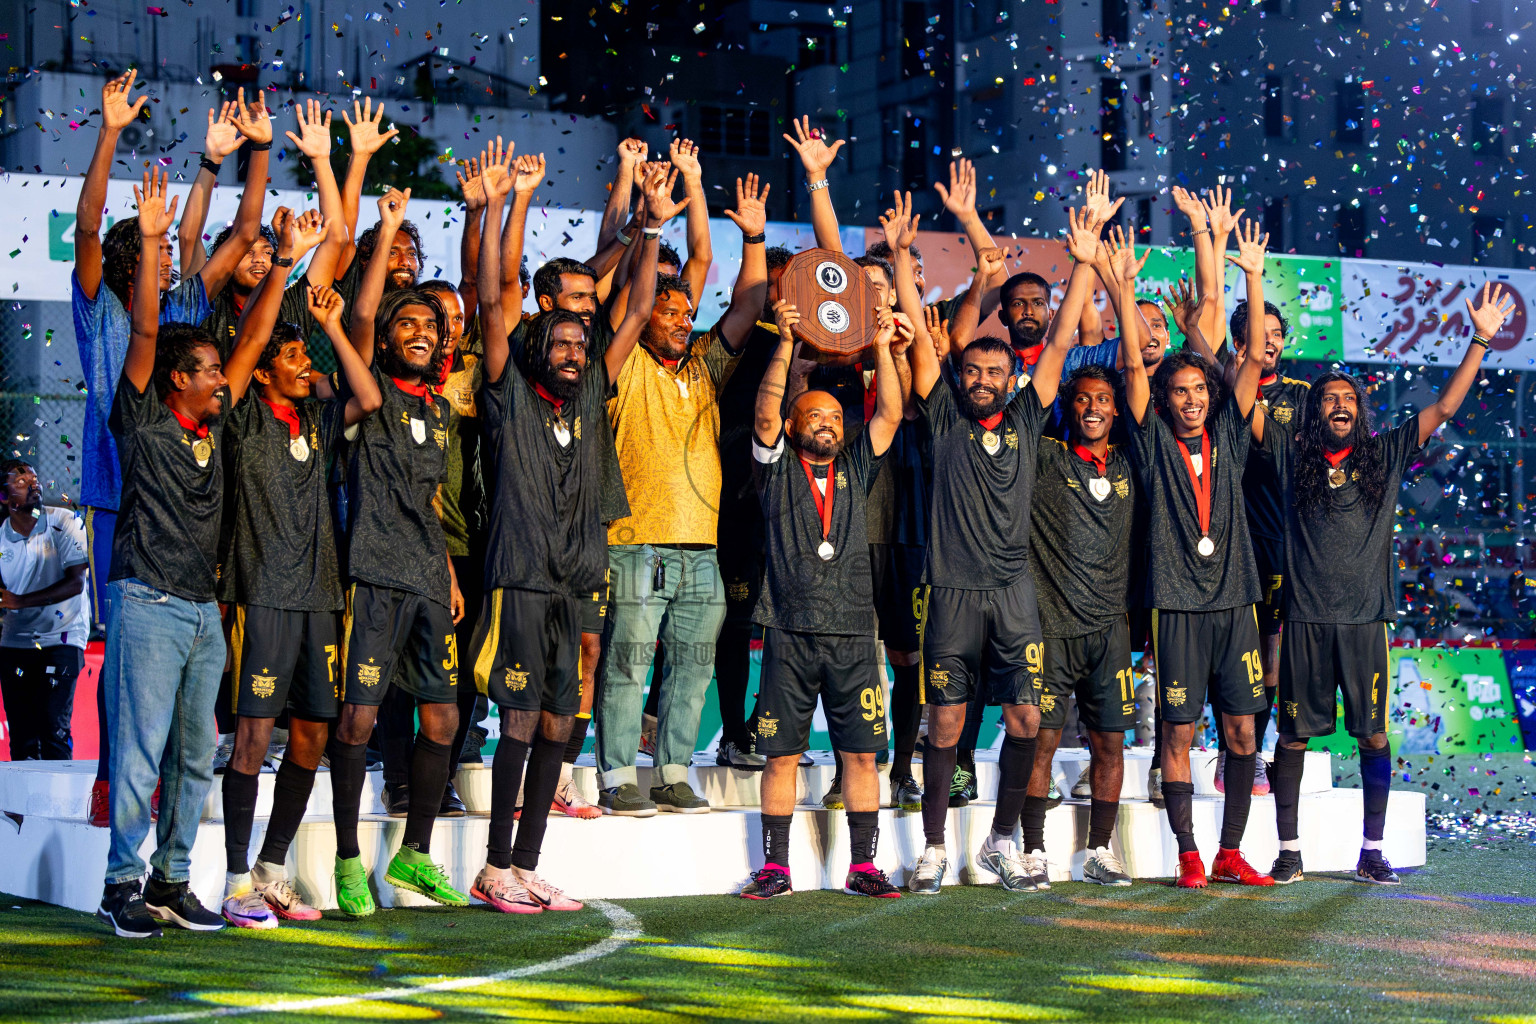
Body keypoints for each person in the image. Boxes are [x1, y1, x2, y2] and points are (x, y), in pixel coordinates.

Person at [464, 142, 664, 912]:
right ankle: (491, 866)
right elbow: (494, 299)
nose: (577, 351)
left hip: (576, 580)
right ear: (536, 349)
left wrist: (649, 225)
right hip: (519, 577)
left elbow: (639, 308)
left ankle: (526, 861)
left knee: (558, 718)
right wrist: (510, 202)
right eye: (564, 342)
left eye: (584, 343)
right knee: (519, 717)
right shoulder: (507, 393)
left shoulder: (590, 395)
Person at [1261, 283, 1515, 886]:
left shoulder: (1383, 454)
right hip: (1302, 620)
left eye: (1349, 397)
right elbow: (1248, 391)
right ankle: (1289, 849)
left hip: (1364, 621)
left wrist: (1480, 339)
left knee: (1373, 734)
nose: (1340, 405)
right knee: (1293, 737)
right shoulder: (1289, 458)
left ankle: (1372, 850)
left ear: (1361, 410)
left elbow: (1446, 407)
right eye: (1329, 399)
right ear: (1314, 412)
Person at [899, 198, 1110, 895]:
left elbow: (1054, 347)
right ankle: (932, 848)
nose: (984, 379)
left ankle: (999, 839)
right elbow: (926, 352)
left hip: (1015, 595)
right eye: (974, 373)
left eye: (994, 372)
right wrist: (902, 258)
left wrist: (1082, 263)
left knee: (1026, 717)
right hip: (952, 594)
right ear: (962, 379)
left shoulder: (1026, 411)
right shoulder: (940, 417)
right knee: (947, 721)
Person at [72, 75, 264, 827]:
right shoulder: (102, 308)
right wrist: (111, 133)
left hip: (183, 508)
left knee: (181, 651)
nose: (168, 265)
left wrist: (232, 157)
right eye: (152, 259)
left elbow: (238, 237)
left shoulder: (183, 308)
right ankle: (109, 777)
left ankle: (165, 784)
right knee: (125, 645)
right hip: (118, 493)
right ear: (128, 268)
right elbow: (89, 228)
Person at [216, 208, 383, 928]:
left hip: (319, 596)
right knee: (254, 735)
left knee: (313, 731)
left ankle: (272, 866)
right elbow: (253, 339)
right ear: (261, 376)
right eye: (293, 359)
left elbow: (368, 396)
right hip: (261, 593)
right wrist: (288, 261)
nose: (304, 366)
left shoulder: (315, 422)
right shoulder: (241, 415)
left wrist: (333, 329)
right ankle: (231, 879)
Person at [95, 170, 243, 938]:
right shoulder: (142, 417)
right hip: (146, 599)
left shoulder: (210, 429)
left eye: (221, 371)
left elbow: (248, 342)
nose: (222, 380)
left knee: (195, 756)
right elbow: (147, 334)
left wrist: (284, 263)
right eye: (210, 373)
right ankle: (120, 885)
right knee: (139, 755)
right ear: (177, 381)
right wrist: (154, 238)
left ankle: (173, 879)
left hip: (201, 610)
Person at [594, 172, 769, 817]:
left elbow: (748, 306)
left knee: (691, 668)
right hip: (635, 542)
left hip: (702, 546)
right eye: (667, 312)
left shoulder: (701, 365)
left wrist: (752, 236)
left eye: (685, 313)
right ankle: (615, 776)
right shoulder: (623, 360)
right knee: (627, 664)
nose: (679, 320)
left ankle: (671, 772)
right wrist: (653, 228)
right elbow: (629, 307)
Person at [328, 187, 467, 917]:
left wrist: (445, 568)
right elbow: (356, 314)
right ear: (385, 341)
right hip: (373, 578)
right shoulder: (369, 389)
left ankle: (415, 857)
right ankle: (351, 861)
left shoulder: (441, 409)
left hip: (424, 579)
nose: (420, 330)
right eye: (406, 322)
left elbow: (433, 502)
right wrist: (384, 233)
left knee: (441, 721)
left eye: (431, 325)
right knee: (356, 722)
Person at [1119, 220, 1271, 888]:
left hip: (1235, 602)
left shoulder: (1232, 440)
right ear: (1166, 399)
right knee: (1177, 736)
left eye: (1199, 391)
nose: (1189, 400)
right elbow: (1131, 366)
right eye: (1178, 391)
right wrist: (1123, 289)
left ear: (1212, 399)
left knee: (1243, 735)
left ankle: (1231, 851)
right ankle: (1188, 853)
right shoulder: (1151, 444)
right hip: (1176, 606)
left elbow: (1255, 363)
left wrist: (1254, 277)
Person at [737, 299, 905, 901]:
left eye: (835, 416)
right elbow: (762, 413)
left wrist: (882, 344)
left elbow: (888, 412)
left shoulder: (857, 468)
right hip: (788, 628)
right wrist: (784, 343)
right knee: (781, 756)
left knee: (862, 757)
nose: (828, 424)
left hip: (856, 633)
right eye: (814, 416)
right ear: (794, 424)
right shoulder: (776, 469)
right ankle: (776, 868)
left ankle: (863, 866)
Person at [1024, 361, 1138, 886]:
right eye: (1082, 400)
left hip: (1110, 632)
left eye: (1102, 400)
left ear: (1116, 408)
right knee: (1040, 743)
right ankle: (1032, 849)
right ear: (1069, 407)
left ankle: (1099, 850)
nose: (1093, 408)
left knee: (1109, 745)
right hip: (1052, 629)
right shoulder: (1045, 457)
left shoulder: (1130, 464)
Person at [714, 245, 797, 772]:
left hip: (798, 511)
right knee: (738, 624)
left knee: (790, 626)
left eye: (788, 286)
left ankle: (773, 730)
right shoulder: (738, 346)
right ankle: (733, 732)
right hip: (739, 509)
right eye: (771, 287)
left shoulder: (813, 346)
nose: (780, 296)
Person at [197, 100, 348, 359]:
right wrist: (260, 147)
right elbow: (236, 232)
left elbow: (336, 238)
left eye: (268, 252)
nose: (259, 259)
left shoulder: (288, 307)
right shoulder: (208, 307)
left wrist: (321, 161)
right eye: (247, 253)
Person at [0, 461, 90, 761]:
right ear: (4, 497)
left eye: (34, 477)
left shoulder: (65, 521)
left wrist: (19, 602)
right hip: (16, 643)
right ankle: (23, 808)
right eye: (21, 479)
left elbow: (76, 583)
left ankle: (61, 807)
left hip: (62, 639)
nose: (33, 482)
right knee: (23, 737)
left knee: (54, 729)